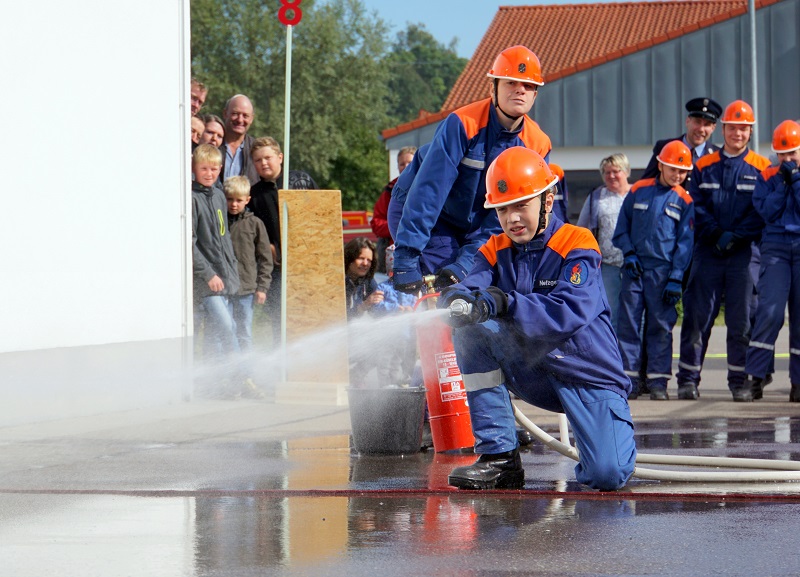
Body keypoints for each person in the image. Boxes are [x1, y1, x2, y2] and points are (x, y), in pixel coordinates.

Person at [436, 147, 636, 491]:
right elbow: (470, 285)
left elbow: (568, 311)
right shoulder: (495, 249)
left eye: (521, 206)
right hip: (534, 372)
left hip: (587, 375)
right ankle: (499, 458)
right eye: (502, 209)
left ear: (548, 200)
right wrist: (456, 298)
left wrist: (504, 302)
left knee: (607, 474)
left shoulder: (577, 243)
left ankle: (605, 438)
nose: (512, 219)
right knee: (471, 330)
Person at [388, 45, 552, 295]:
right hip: (421, 209)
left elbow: (504, 215)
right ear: (493, 88)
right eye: (510, 82)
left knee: (468, 279)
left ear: (535, 95)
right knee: (441, 275)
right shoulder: (462, 123)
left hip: (474, 222)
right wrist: (407, 255)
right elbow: (429, 190)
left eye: (528, 86)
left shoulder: (538, 145)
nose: (520, 90)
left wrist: (468, 261)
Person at [677, 100, 770, 402]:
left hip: (744, 254)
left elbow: (762, 209)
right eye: (733, 128)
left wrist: (737, 236)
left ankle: (739, 382)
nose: (737, 134)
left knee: (741, 321)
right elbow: (695, 204)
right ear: (724, 129)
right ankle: (688, 380)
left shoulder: (762, 167)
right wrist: (716, 233)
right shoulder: (703, 166)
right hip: (709, 251)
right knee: (697, 317)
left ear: (750, 132)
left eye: (743, 129)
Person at [612, 141, 695, 400]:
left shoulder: (684, 200)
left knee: (660, 327)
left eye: (682, 171)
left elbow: (685, 243)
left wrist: (676, 278)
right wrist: (629, 253)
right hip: (635, 270)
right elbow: (621, 228)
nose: (678, 175)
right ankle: (629, 381)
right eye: (673, 169)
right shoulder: (638, 190)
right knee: (628, 326)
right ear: (660, 165)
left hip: (663, 273)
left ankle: (658, 382)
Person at [745, 120, 800, 401]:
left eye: (792, 153)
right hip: (776, 248)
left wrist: (796, 182)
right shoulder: (767, 176)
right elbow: (767, 211)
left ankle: (798, 383)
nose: (787, 159)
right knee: (769, 312)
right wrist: (783, 184)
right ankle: (755, 378)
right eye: (782, 153)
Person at [247, 137, 318, 347]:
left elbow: (322, 213)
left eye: (268, 157)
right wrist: (265, 247)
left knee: (309, 316)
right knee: (279, 320)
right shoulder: (254, 195)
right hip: (276, 269)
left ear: (280, 157)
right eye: (258, 160)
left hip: (307, 264)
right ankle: (282, 360)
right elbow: (252, 232)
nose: (263, 163)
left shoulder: (301, 180)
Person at [191, 144, 240, 377]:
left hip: (225, 278)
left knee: (217, 334)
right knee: (228, 327)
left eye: (213, 169)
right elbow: (189, 244)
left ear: (220, 169)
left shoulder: (220, 195)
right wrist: (208, 274)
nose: (209, 173)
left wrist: (231, 271)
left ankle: (217, 380)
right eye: (203, 168)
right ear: (194, 168)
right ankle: (240, 376)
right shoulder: (191, 199)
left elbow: (224, 237)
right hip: (207, 282)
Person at [576, 153, 632, 329]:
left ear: (626, 172)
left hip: (634, 265)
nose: (611, 176)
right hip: (607, 264)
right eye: (607, 172)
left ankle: (634, 349)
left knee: (635, 315)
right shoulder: (596, 197)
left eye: (616, 171)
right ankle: (612, 347)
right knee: (610, 312)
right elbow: (582, 229)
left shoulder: (638, 193)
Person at [224, 176, 274, 358]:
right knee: (226, 330)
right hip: (224, 289)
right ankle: (228, 368)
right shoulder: (220, 222)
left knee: (244, 331)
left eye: (239, 200)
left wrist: (262, 288)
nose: (234, 204)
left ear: (247, 200)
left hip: (246, 289)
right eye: (230, 199)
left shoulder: (255, 224)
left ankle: (246, 369)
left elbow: (266, 259)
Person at [642, 97, 722, 182]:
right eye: (697, 122)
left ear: (713, 128)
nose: (701, 129)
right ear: (687, 121)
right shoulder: (665, 147)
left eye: (707, 125)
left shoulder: (719, 156)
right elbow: (646, 183)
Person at [371, 146, 416, 273]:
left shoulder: (429, 186)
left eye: (410, 163)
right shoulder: (390, 190)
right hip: (396, 250)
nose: (406, 167)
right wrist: (399, 226)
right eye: (402, 164)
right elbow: (376, 223)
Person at [220, 94, 259, 185]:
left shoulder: (257, 150)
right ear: (225, 113)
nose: (240, 120)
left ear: (251, 119)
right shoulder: (213, 144)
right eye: (235, 114)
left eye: (245, 116)